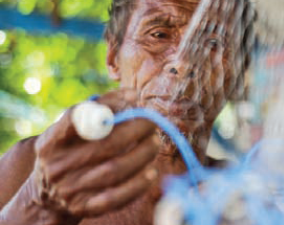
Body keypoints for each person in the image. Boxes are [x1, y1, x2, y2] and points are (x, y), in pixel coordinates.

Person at [0, 0, 256, 224]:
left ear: (238, 74)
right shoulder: (28, 169)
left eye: (213, 43)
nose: (184, 62)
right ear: (113, 57)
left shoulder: (249, 200)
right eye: (158, 34)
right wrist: (37, 207)